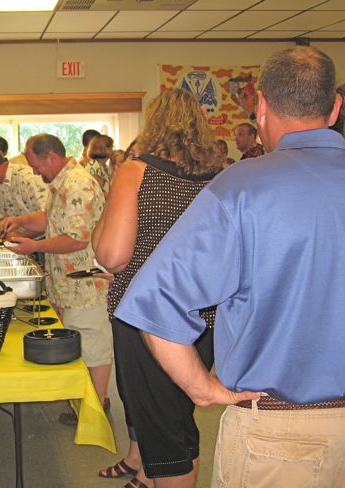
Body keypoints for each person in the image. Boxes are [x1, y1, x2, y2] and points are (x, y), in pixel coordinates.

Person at [115, 46, 345, 487]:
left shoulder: (241, 188)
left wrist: (203, 389)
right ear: (334, 108)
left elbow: (154, 301)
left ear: (261, 107)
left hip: (280, 435)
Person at [92, 88, 222, 488]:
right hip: (205, 314)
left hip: (145, 315)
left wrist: (101, 225)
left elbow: (112, 255)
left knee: (162, 431)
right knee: (176, 418)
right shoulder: (219, 176)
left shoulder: (136, 171)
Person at [1, 134, 113, 425]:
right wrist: (23, 221)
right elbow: (50, 220)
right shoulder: (61, 182)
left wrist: (33, 246)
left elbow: (76, 238)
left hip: (87, 283)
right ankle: (89, 401)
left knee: (93, 345)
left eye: (36, 164)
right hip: (69, 282)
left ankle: (96, 407)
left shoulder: (78, 183)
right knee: (82, 342)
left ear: (50, 156)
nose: (35, 171)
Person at [0, 145, 48, 237]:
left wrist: (18, 237)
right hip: (20, 242)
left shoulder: (28, 178)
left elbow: (49, 219)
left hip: (41, 243)